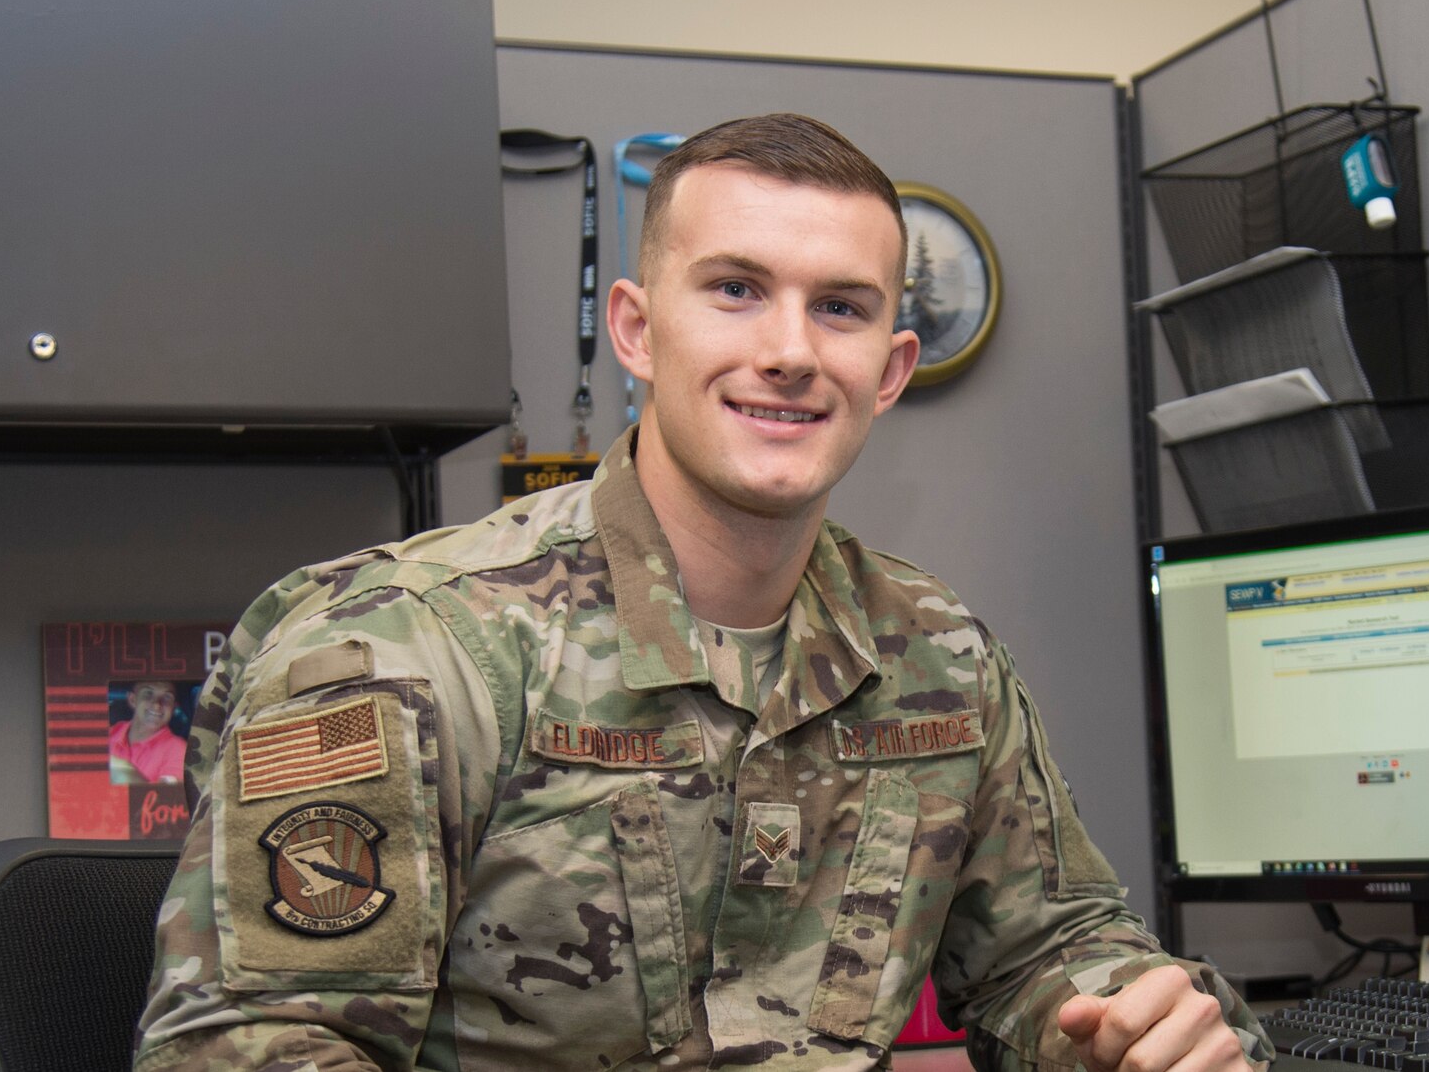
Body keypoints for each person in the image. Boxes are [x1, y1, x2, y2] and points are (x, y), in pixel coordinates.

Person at [134, 114, 1274, 1072]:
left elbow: (1043, 951)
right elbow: (249, 1043)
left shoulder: (934, 656)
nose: (787, 351)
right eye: (734, 290)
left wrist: (1129, 1022)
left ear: (886, 371)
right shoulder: (406, 647)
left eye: (838, 307)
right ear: (636, 329)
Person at [109, 680, 186, 785]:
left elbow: (167, 796)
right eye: (148, 694)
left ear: (174, 708)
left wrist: (123, 772)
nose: (156, 705)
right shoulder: (110, 733)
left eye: (167, 697)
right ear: (133, 700)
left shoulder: (179, 749)